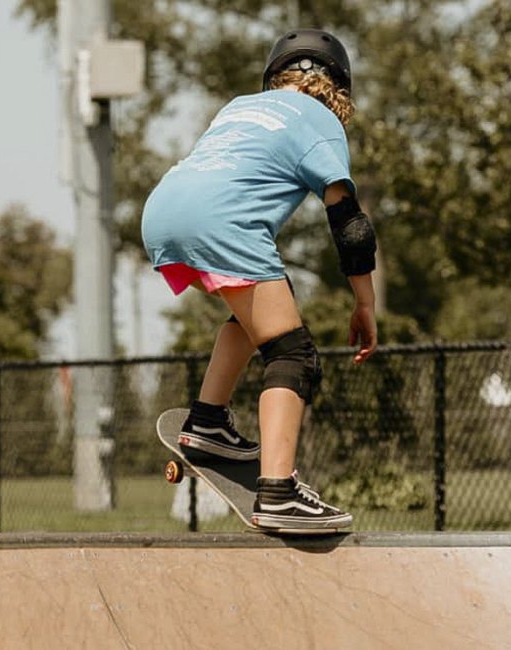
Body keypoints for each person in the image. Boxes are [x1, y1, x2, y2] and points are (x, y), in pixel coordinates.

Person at [141, 29, 378, 532]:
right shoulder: (322, 122)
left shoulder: (240, 106)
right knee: (292, 354)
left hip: (164, 206)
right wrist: (365, 304)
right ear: (339, 85)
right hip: (221, 220)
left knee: (260, 314)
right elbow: (350, 225)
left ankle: (207, 423)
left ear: (276, 76)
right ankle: (279, 492)